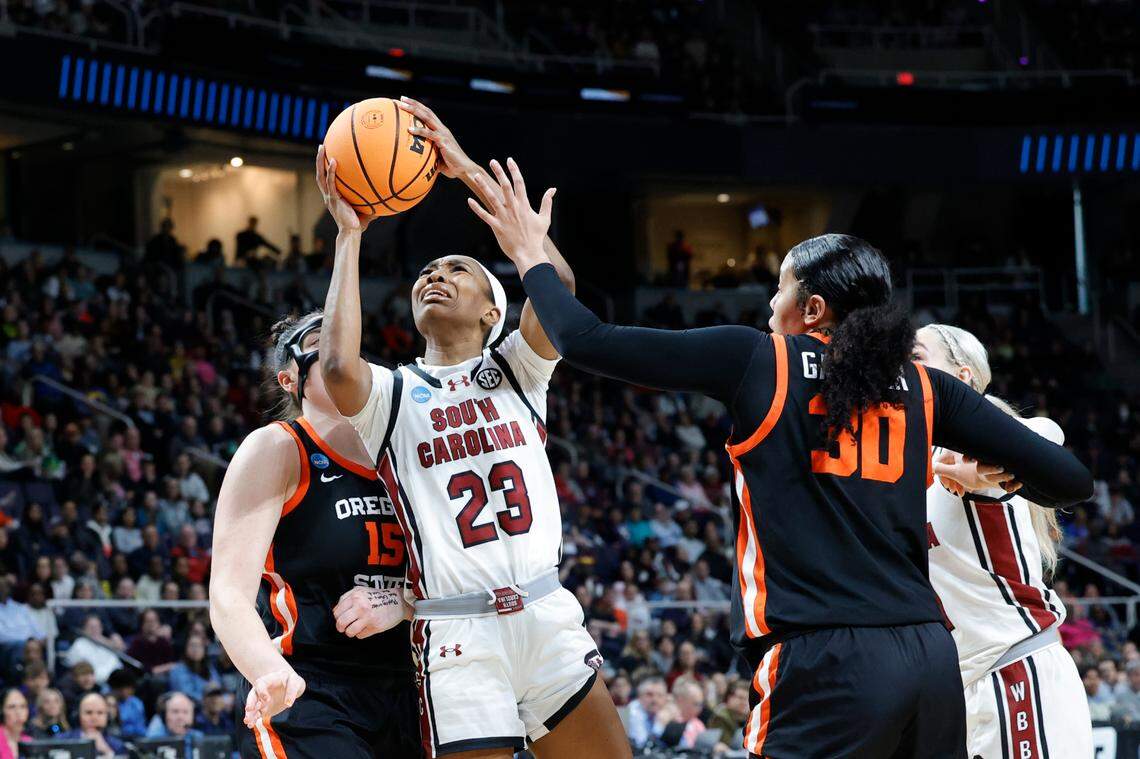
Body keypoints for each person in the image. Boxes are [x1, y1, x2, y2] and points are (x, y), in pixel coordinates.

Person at [468, 163, 1094, 758]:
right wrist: (993, 471)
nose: (771, 306)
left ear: (812, 308)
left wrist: (529, 253)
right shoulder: (925, 387)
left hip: (826, 661)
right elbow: (1069, 481)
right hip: (930, 659)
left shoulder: (758, 359)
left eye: (780, 289)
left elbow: (587, 339)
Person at [317, 95, 630, 759]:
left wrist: (461, 169)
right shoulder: (396, 393)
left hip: (545, 615)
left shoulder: (519, 366)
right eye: (426, 272)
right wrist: (349, 236)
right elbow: (340, 365)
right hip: (457, 636)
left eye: (456, 268)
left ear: (494, 311)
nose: (435, 274)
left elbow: (560, 291)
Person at [209, 309, 420, 758]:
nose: (340, 352)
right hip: (314, 689)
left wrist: (400, 602)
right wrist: (269, 672)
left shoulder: (407, 451)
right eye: (322, 345)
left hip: (416, 687)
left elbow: (460, 577)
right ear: (290, 380)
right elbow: (228, 594)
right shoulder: (278, 447)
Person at [914, 323, 1094, 758]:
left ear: (961, 378)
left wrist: (972, 458)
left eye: (916, 357)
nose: (901, 370)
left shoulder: (973, 447)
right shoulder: (912, 465)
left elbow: (1047, 432)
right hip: (967, 685)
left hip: (1015, 671)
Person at [61, 692, 123, 757]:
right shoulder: (61, 741)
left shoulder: (118, 745)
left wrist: (107, 751)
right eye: (89, 712)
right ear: (78, 716)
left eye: (100, 713)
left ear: (107, 717)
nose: (94, 718)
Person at [0, 689, 30, 759]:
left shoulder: (29, 742)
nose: (18, 712)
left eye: (23, 706)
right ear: (2, 711)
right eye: (12, 707)